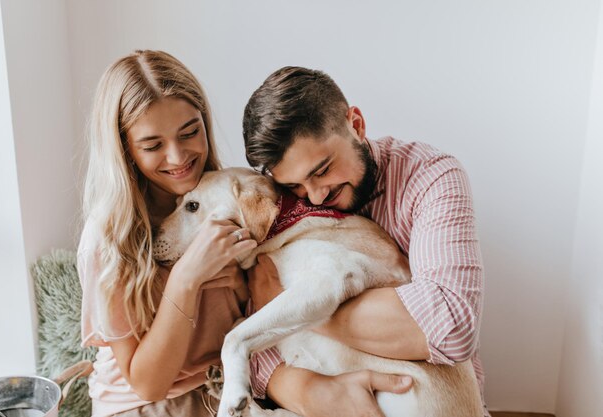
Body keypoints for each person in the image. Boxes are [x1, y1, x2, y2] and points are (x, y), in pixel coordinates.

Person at [243, 66, 489, 417]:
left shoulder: (431, 178)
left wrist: (290, 305)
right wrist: (307, 390)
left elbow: (451, 327)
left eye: (322, 169)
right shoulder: (278, 206)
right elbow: (252, 342)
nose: (313, 197)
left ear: (356, 125)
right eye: (295, 186)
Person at [77, 50, 259, 417]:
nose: (177, 157)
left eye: (190, 132)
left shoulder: (229, 197)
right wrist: (186, 279)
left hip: (230, 384)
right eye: (153, 146)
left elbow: (258, 310)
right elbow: (148, 383)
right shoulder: (109, 238)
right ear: (125, 150)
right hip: (144, 404)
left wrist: (239, 284)